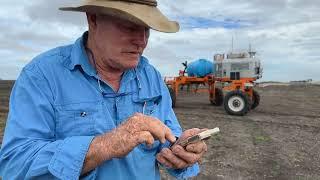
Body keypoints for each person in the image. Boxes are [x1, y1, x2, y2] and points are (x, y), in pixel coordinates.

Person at [0, 0, 208, 179]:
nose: (142, 41)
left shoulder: (150, 75)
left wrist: (181, 150)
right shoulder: (42, 76)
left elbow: (169, 139)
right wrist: (105, 145)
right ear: (93, 19)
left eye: (147, 29)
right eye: (129, 26)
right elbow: (15, 165)